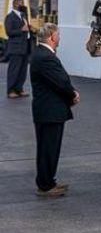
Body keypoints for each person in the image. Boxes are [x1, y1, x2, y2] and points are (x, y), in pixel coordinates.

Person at [30, 23, 78, 198]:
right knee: (48, 149)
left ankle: (48, 181)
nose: (60, 37)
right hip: (50, 111)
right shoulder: (46, 57)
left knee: (48, 148)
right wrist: (72, 94)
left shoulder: (40, 54)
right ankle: (45, 185)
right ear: (51, 36)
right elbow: (60, 81)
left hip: (47, 110)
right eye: (58, 34)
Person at [5, 0, 32, 98]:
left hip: (25, 46)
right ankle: (11, 90)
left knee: (22, 70)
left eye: (23, 3)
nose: (23, 6)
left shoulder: (23, 15)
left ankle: (19, 89)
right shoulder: (10, 17)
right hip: (16, 47)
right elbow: (9, 32)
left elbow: (26, 28)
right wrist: (21, 30)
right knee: (14, 70)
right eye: (21, 4)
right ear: (15, 4)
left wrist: (30, 29)